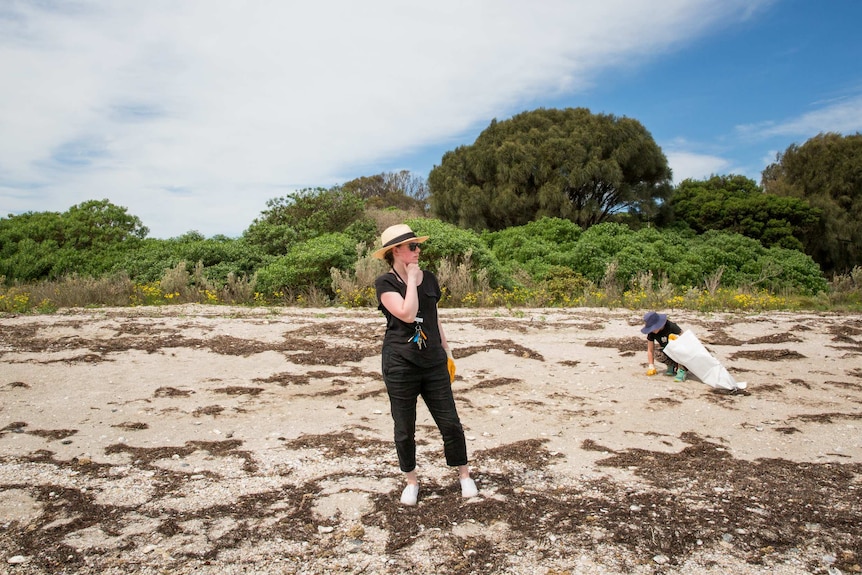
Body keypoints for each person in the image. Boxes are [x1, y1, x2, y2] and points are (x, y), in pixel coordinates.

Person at [372, 224, 478, 506]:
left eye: (418, 246)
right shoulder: (386, 283)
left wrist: (448, 351)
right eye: (412, 247)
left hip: (433, 361)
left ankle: (464, 475)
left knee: (450, 421)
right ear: (396, 251)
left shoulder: (429, 279)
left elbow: (434, 316)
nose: (418, 251)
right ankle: (411, 481)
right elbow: (407, 314)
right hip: (400, 364)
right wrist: (411, 279)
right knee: (404, 427)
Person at [641, 311, 687, 382]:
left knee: (680, 351)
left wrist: (678, 340)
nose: (652, 330)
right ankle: (671, 365)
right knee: (657, 353)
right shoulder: (651, 333)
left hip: (680, 352)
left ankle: (682, 370)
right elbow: (650, 350)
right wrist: (651, 366)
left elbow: (686, 338)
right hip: (668, 352)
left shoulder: (671, 326)